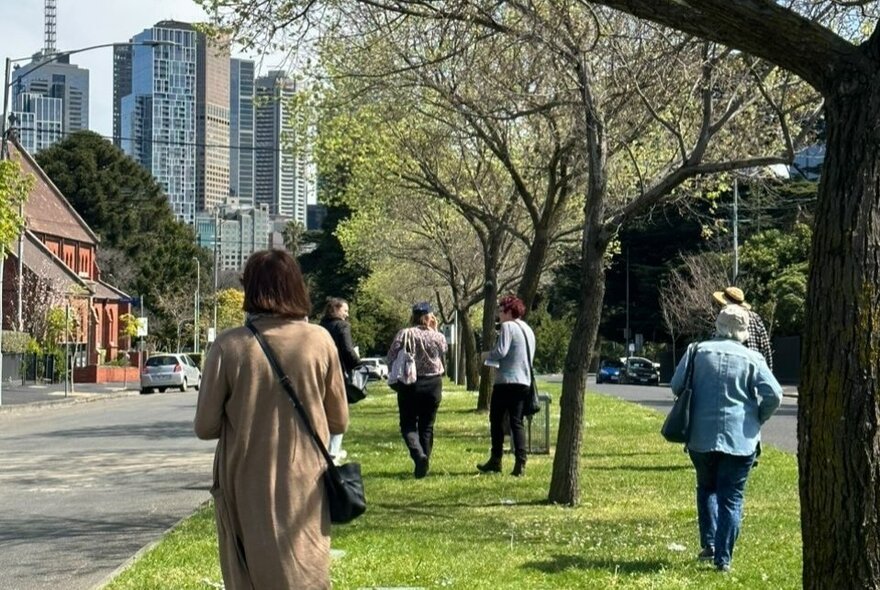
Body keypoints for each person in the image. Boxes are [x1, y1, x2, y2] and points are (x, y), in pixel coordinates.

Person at [194, 249, 348, 590]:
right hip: (305, 480)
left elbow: (205, 426)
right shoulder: (321, 342)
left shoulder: (228, 347)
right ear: (297, 287)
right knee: (305, 569)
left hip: (244, 480)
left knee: (248, 571)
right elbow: (339, 421)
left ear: (251, 290)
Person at [671, 305, 782, 573]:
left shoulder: (695, 351)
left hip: (700, 436)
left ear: (718, 325)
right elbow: (775, 395)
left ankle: (708, 544)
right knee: (731, 498)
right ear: (744, 331)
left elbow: (676, 386)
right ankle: (724, 559)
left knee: (706, 488)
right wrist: (758, 416)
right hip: (740, 439)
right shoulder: (753, 358)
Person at [386, 301, 448, 478]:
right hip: (433, 384)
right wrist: (435, 330)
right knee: (427, 426)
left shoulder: (404, 334)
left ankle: (418, 455)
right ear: (430, 317)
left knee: (408, 424)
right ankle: (424, 461)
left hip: (409, 383)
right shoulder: (437, 337)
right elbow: (444, 350)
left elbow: (391, 356)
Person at [476, 295, 536, 477]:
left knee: (496, 420)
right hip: (524, 382)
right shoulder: (528, 329)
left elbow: (501, 351)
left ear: (509, 311)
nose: (499, 315)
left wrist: (486, 356)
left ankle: (496, 459)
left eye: (501, 311)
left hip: (507, 382)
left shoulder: (508, 327)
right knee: (517, 422)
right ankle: (520, 462)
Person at [320, 297, 360, 463]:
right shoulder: (342, 326)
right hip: (338, 372)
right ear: (335, 310)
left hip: (320, 372)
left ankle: (324, 447)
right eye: (345, 310)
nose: (347, 314)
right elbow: (347, 350)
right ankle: (333, 452)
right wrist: (357, 363)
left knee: (323, 410)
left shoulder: (320, 327)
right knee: (338, 410)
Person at [712, 286, 773, 370]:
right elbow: (765, 347)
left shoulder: (724, 317)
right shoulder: (755, 317)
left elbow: (714, 341)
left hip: (730, 365)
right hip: (753, 365)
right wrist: (768, 370)